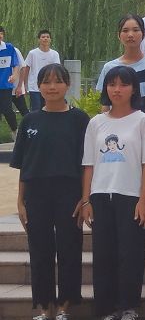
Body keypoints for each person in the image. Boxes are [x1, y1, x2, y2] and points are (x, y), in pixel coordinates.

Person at [12, 64, 89, 320]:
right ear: (39, 86)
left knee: (70, 248)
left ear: (67, 85)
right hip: (37, 193)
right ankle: (45, 308)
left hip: (70, 193)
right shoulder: (30, 120)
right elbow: (24, 165)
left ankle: (66, 306)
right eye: (46, 82)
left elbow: (87, 164)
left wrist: (84, 197)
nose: (52, 87)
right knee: (39, 250)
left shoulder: (80, 120)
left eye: (58, 81)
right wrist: (20, 201)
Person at [80, 66, 145, 320]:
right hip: (100, 196)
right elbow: (89, 164)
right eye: (112, 84)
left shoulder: (143, 121)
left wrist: (143, 200)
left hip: (131, 197)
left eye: (123, 84)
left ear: (134, 89)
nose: (117, 89)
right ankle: (106, 308)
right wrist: (86, 200)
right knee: (103, 256)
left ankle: (129, 307)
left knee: (131, 254)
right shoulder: (96, 123)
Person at [95, 14, 145, 124]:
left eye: (135, 30)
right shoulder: (110, 67)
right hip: (116, 125)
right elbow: (105, 103)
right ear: (119, 35)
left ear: (144, 34)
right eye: (125, 31)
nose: (130, 35)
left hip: (143, 125)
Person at [21, 30, 61, 113]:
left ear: (50, 39)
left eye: (47, 37)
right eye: (43, 37)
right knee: (36, 110)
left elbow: (57, 70)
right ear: (39, 39)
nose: (45, 39)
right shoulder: (32, 53)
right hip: (34, 87)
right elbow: (26, 68)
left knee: (48, 109)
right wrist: (24, 84)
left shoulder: (55, 54)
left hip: (49, 87)